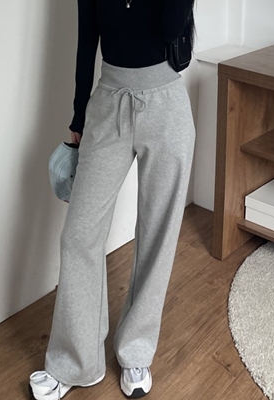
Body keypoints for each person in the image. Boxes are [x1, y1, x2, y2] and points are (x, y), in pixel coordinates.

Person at [29, 0, 196, 398]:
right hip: (108, 102)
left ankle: (136, 351)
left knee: (157, 235)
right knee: (78, 236)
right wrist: (78, 116)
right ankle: (76, 361)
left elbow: (170, 28)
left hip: (167, 106)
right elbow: (87, 39)